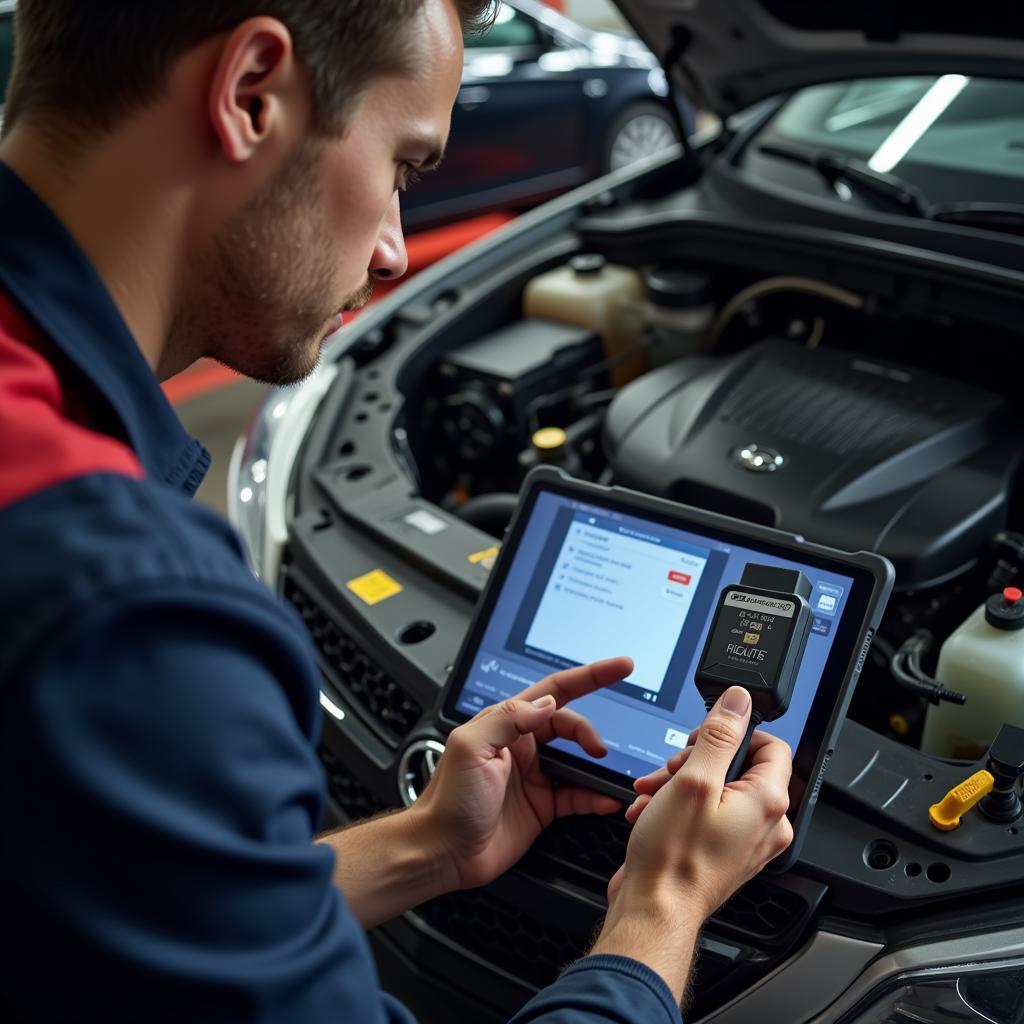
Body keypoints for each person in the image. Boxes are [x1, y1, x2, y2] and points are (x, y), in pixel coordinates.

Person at [0, 1, 794, 1020]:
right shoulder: (122, 615)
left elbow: (110, 914)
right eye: (405, 167)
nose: (391, 251)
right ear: (251, 95)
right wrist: (663, 907)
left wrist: (425, 843)